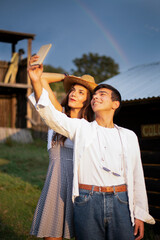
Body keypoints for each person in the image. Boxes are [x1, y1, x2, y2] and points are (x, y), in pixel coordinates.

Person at [29, 75, 155, 240]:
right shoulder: (81, 128)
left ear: (115, 104)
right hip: (86, 197)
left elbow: (137, 175)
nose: (96, 96)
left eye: (102, 94)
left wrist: (139, 213)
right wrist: (38, 79)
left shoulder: (128, 135)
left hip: (120, 198)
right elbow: (52, 115)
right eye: (95, 95)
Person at [28, 55, 97, 240]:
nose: (74, 94)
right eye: (72, 90)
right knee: (51, 234)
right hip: (56, 180)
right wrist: (67, 76)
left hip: (78, 183)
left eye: (81, 92)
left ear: (88, 100)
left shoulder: (88, 126)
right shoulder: (58, 114)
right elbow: (40, 79)